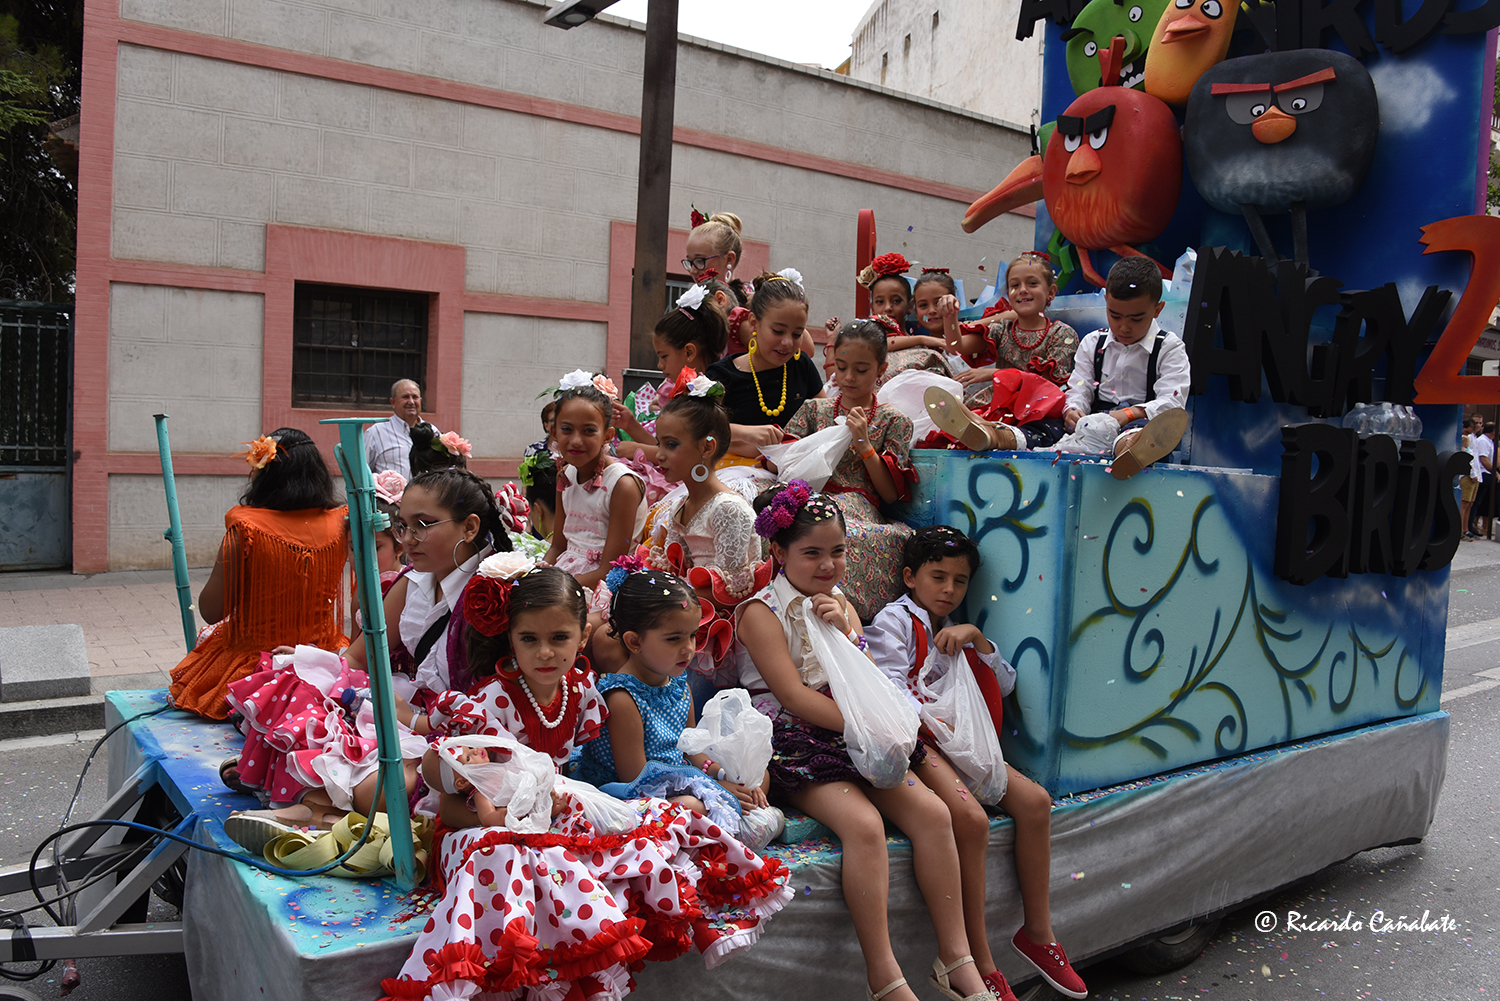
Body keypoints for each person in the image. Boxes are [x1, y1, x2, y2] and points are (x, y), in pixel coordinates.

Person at [381, 558, 794, 1001]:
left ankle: (581, 955)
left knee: (647, 826)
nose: (545, 653)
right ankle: (526, 966)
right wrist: (530, 814)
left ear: (582, 637)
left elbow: (573, 775)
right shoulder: (490, 703)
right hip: (482, 829)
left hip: (546, 818)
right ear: (509, 639)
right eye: (529, 639)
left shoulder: (579, 694)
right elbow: (470, 808)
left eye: (559, 638)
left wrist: (559, 807)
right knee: (520, 855)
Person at [736, 481, 998, 1001]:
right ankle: (884, 975)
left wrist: (848, 634)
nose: (828, 564)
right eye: (812, 553)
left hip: (856, 728)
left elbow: (870, 678)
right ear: (779, 552)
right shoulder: (760, 613)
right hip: (797, 740)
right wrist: (863, 724)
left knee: (936, 815)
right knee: (864, 825)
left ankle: (957, 958)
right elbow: (793, 696)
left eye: (837, 551)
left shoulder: (842, 603)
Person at [865, 527, 1087, 1001]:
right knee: (971, 819)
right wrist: (938, 723)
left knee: (1035, 802)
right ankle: (980, 962)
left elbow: (1003, 685)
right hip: (921, 743)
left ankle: (1039, 933)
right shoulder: (894, 622)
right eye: (938, 577)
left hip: (963, 744)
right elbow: (886, 690)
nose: (949, 589)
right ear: (910, 576)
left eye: (960, 581)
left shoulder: (957, 628)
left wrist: (978, 640)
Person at [925, 257, 1191, 479]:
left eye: (1136, 318)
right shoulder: (1094, 342)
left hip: (1137, 420)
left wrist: (1128, 415)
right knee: (1046, 429)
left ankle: (1130, 452)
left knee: (1135, 433)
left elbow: (1172, 403)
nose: (1124, 326)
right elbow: (1079, 387)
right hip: (1092, 418)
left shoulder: (1169, 347)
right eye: (1115, 315)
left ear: (1158, 309)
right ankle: (994, 436)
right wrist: (1073, 410)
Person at [576, 568, 784, 848]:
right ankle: (731, 825)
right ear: (634, 642)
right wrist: (710, 787)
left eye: (693, 635)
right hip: (631, 792)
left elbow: (690, 746)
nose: (688, 648)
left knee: (757, 779)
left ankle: (728, 820)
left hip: (678, 775)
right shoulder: (622, 698)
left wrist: (721, 774)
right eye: (674, 639)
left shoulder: (677, 683)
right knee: (690, 806)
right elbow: (636, 780)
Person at [168, 429, 348, 720]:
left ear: (265, 474)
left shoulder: (246, 528)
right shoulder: (342, 523)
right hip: (322, 662)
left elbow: (211, 612)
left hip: (256, 671)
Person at [783, 320, 916, 623]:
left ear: (881, 370)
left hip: (857, 506)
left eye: (861, 369)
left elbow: (890, 494)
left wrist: (865, 445)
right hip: (806, 497)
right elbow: (785, 461)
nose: (848, 377)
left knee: (834, 534)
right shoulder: (813, 411)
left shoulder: (893, 421)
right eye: (841, 367)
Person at [343, 467, 511, 705]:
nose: (408, 539)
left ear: (469, 528)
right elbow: (360, 657)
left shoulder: (500, 593)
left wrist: (417, 721)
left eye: (423, 524)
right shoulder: (413, 580)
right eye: (403, 525)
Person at [706, 271, 827, 460]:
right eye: (778, 331)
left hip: (795, 471)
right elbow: (699, 428)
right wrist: (744, 433)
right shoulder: (721, 375)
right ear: (754, 323)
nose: (787, 342)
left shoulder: (801, 365)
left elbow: (826, 417)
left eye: (797, 334)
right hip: (733, 471)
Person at [542, 377, 648, 593]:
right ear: (554, 433)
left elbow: (610, 570)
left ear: (607, 436)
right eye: (566, 429)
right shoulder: (566, 475)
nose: (576, 440)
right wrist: (538, 575)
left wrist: (555, 589)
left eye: (589, 431)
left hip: (603, 589)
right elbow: (558, 546)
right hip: (564, 578)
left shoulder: (622, 485)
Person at [364, 379, 425, 480]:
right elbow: (362, 474)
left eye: (415, 397)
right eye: (405, 397)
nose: (411, 402)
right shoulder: (376, 433)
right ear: (393, 402)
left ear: (420, 401)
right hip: (389, 491)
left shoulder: (433, 432)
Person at [1473, 422, 1496, 539]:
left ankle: (1482, 524)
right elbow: (1484, 459)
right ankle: (1473, 523)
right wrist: (1495, 472)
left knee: (1484, 500)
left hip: (1486, 473)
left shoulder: (1489, 441)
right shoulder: (1483, 441)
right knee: (1478, 501)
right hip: (1483, 473)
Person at [1461, 417, 1479, 540]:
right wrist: (1473, 474)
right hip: (1468, 476)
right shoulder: (1464, 444)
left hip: (1476, 475)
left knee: (1469, 504)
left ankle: (1466, 528)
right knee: (1464, 504)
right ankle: (1461, 529)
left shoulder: (1473, 440)